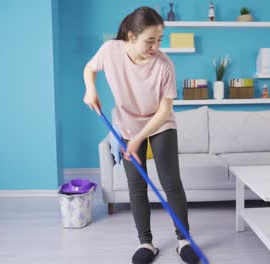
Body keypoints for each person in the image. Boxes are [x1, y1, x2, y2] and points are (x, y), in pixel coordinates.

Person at [83, 6, 201, 264]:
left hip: (160, 124)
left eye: (160, 40)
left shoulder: (164, 65)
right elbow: (89, 69)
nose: (156, 47)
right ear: (131, 36)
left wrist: (138, 140)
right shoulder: (110, 51)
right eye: (150, 41)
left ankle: (184, 240)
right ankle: (146, 242)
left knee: (171, 183)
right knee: (137, 186)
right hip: (127, 126)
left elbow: (164, 110)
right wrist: (90, 90)